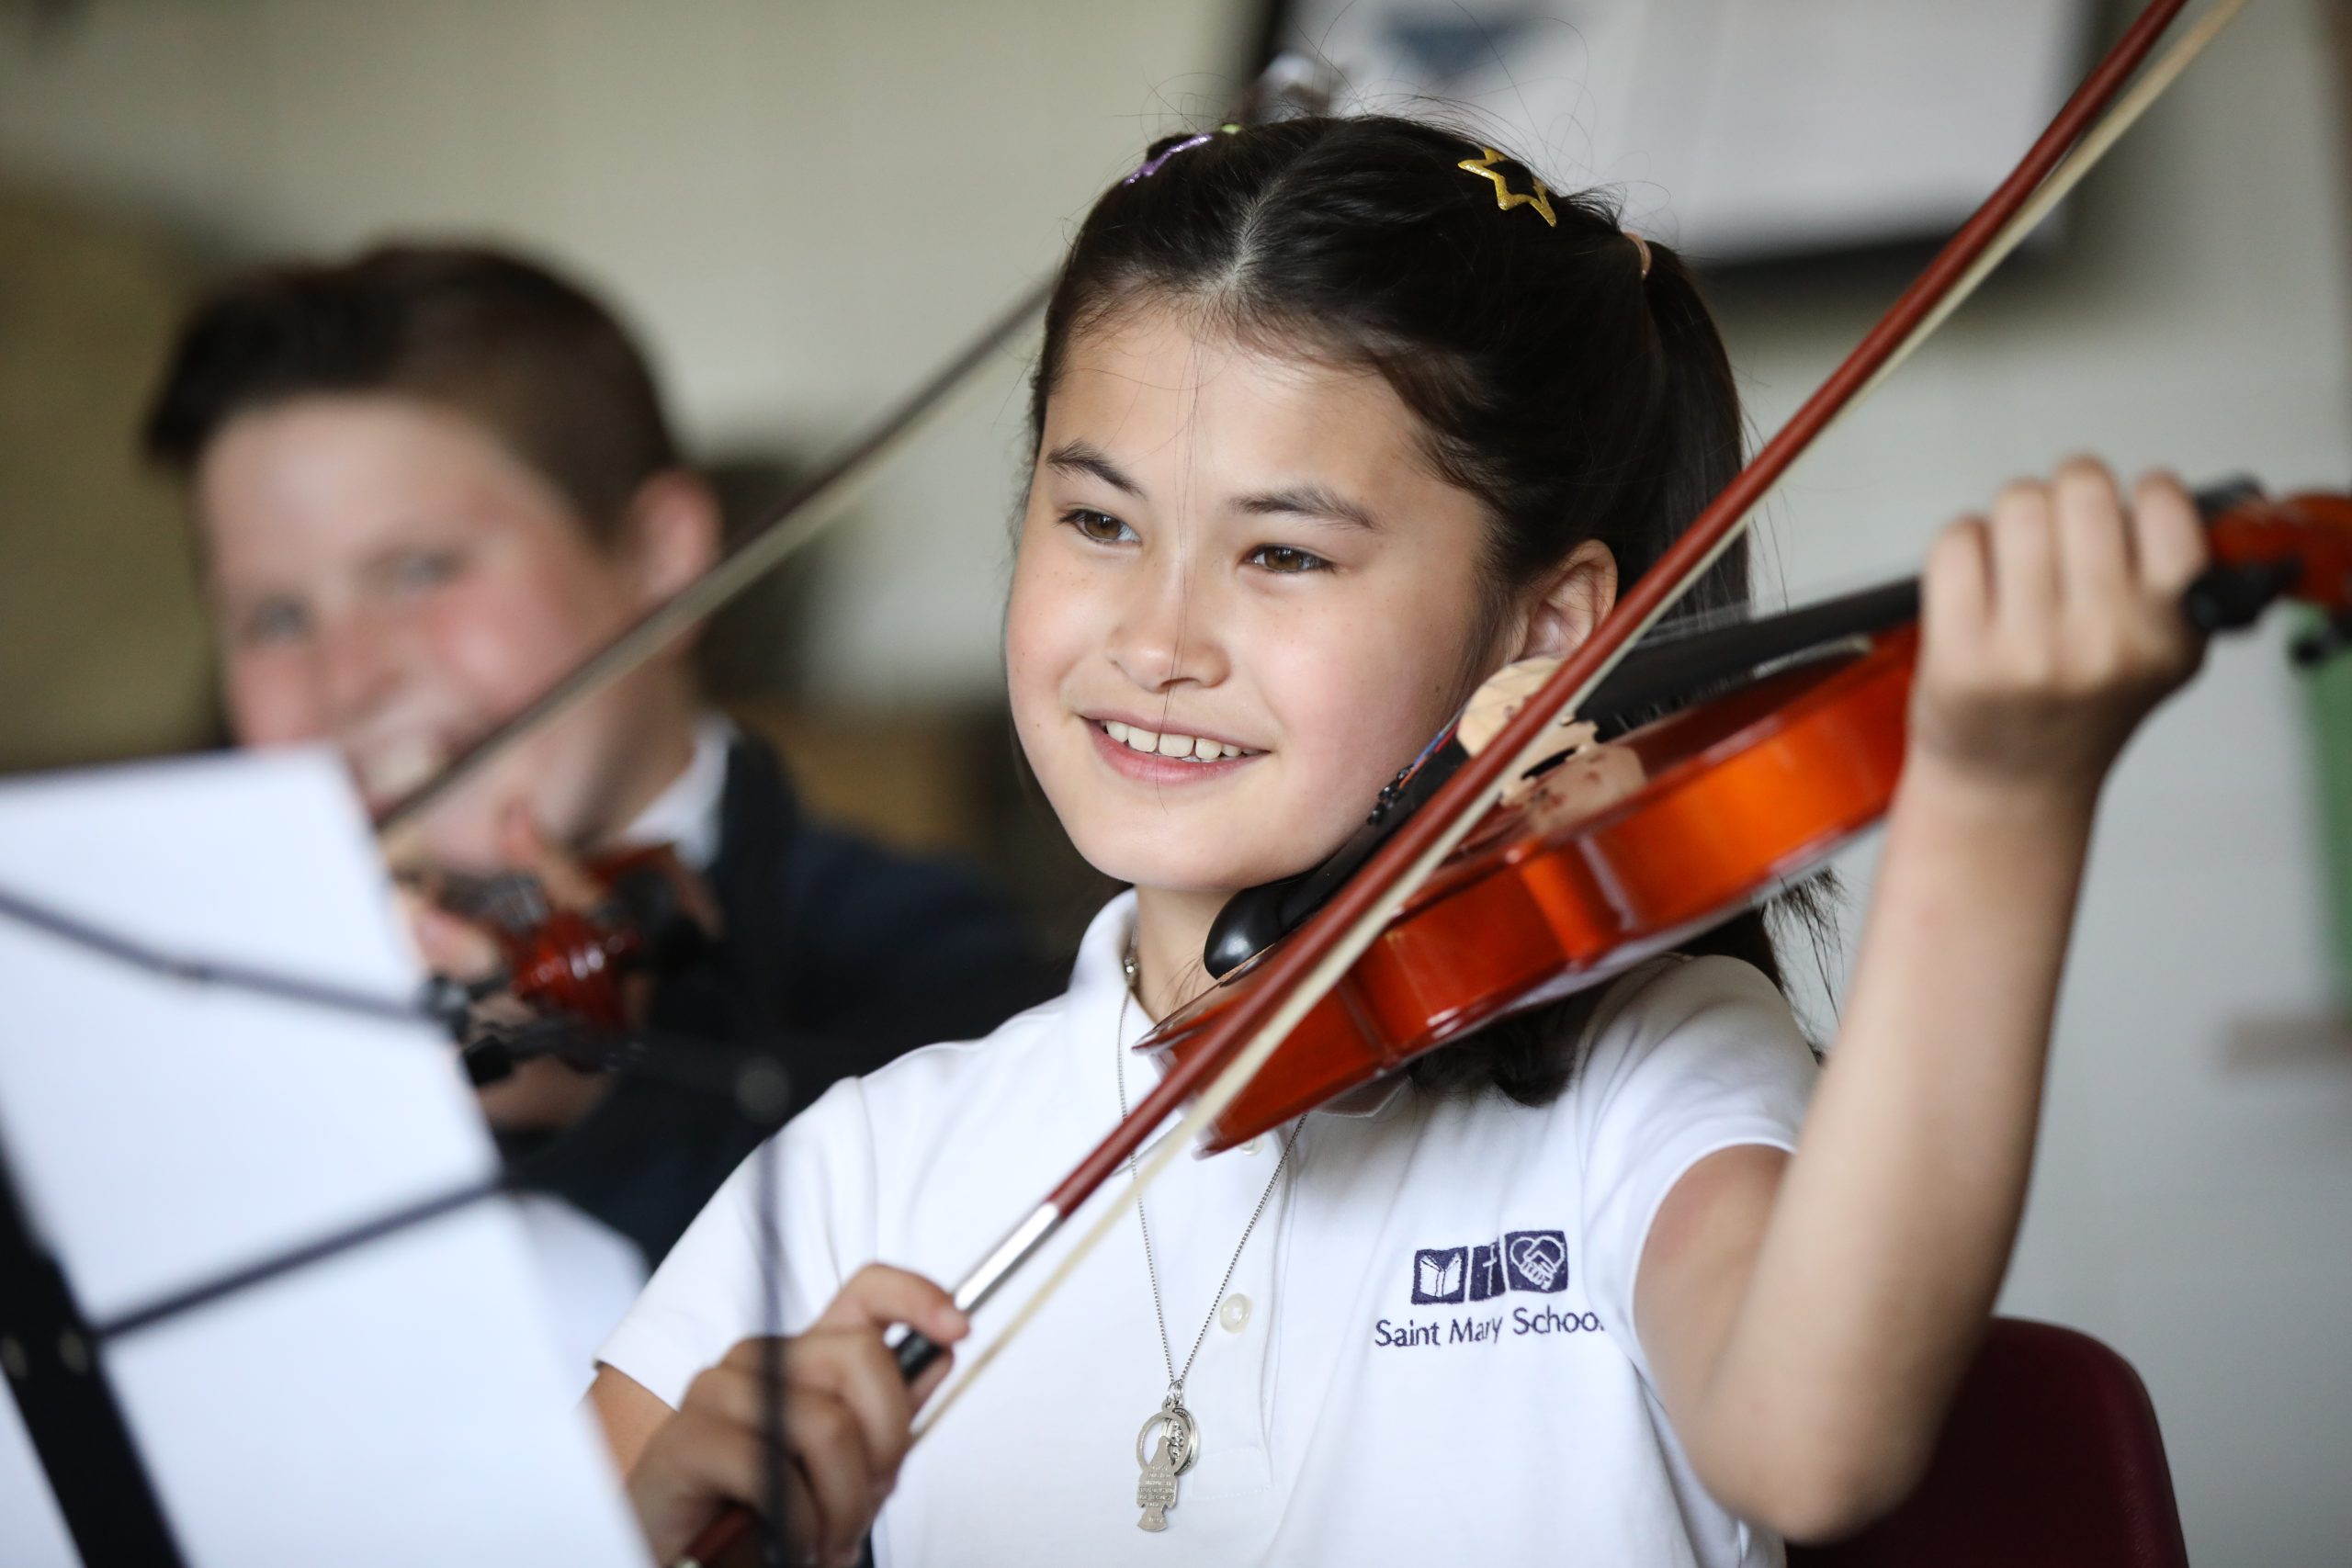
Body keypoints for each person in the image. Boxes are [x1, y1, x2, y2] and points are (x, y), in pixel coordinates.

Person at [587, 118, 2210, 1567]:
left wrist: (1997, 806)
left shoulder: (1643, 1080)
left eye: (1283, 553)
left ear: (1553, 629)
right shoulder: (869, 1164)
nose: (1155, 636)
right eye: (1096, 520)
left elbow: (1816, 1439)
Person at [141, 244, 1062, 1295]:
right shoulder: (177, 991)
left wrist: (609, 1106)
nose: (347, 679)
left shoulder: (932, 965)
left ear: (660, 558)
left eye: (421, 569)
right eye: (274, 616)